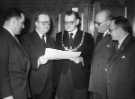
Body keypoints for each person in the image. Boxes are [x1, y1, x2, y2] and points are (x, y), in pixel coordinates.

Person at [55, 10, 94, 99]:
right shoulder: (58, 36)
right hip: (62, 77)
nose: (67, 25)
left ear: (77, 22)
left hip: (80, 77)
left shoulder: (87, 37)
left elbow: (91, 57)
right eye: (65, 22)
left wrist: (82, 59)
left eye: (71, 22)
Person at [20, 11, 55, 99]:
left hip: (50, 86)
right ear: (36, 23)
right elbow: (22, 61)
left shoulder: (52, 41)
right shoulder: (25, 39)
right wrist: (37, 61)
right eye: (44, 23)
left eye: (48, 23)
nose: (47, 25)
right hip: (34, 86)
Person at [0, 8, 30, 99]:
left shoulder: (12, 37)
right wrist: (7, 95)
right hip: (12, 94)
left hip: (19, 91)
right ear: (13, 21)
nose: (23, 26)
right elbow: (1, 70)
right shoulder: (2, 37)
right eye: (22, 23)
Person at [88, 9, 115, 99]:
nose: (95, 26)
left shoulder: (116, 37)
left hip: (106, 86)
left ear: (108, 22)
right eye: (95, 22)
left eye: (98, 23)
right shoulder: (99, 35)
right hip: (95, 83)